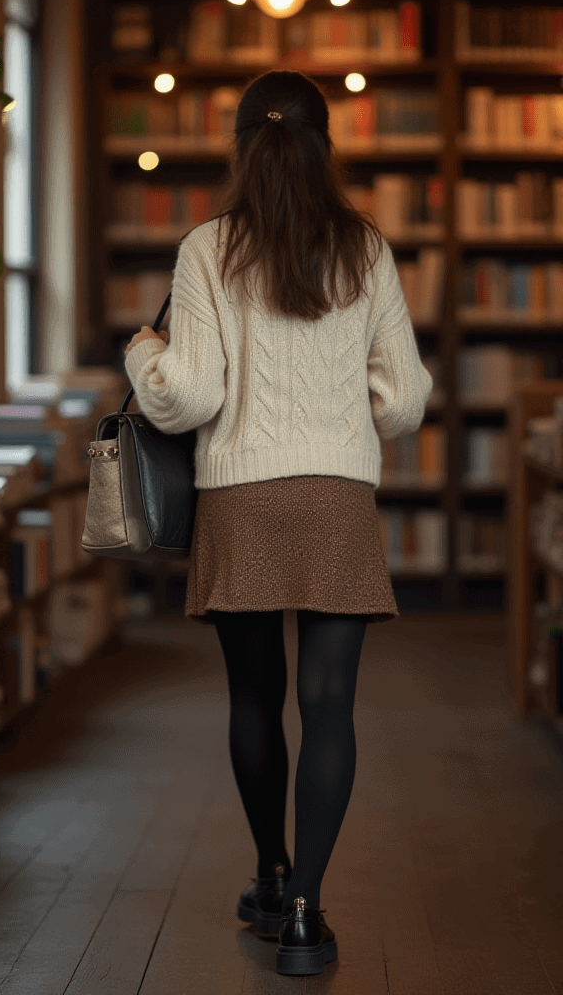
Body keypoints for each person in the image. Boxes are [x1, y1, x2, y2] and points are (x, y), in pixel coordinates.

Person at [123, 69, 433, 977]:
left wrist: (143, 351)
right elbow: (407, 398)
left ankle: (267, 874)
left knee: (254, 698)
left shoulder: (206, 248)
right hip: (338, 496)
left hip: (241, 499)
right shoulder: (365, 250)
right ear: (323, 143)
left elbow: (191, 398)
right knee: (329, 704)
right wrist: (347, 407)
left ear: (239, 146)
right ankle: (305, 914)